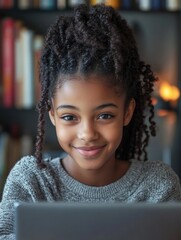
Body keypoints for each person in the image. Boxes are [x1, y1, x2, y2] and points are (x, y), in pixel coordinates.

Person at [0, 3, 181, 239]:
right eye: (69, 117)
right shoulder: (31, 181)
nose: (87, 133)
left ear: (127, 112)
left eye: (105, 116)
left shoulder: (158, 188)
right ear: (52, 114)